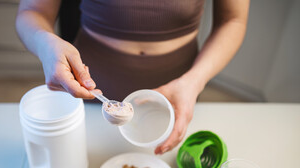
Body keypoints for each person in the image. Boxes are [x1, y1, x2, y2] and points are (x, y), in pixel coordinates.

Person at [16, 0, 250, 155]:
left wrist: (194, 81)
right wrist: (44, 43)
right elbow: (32, 12)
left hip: (178, 91)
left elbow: (233, 20)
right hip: (89, 89)